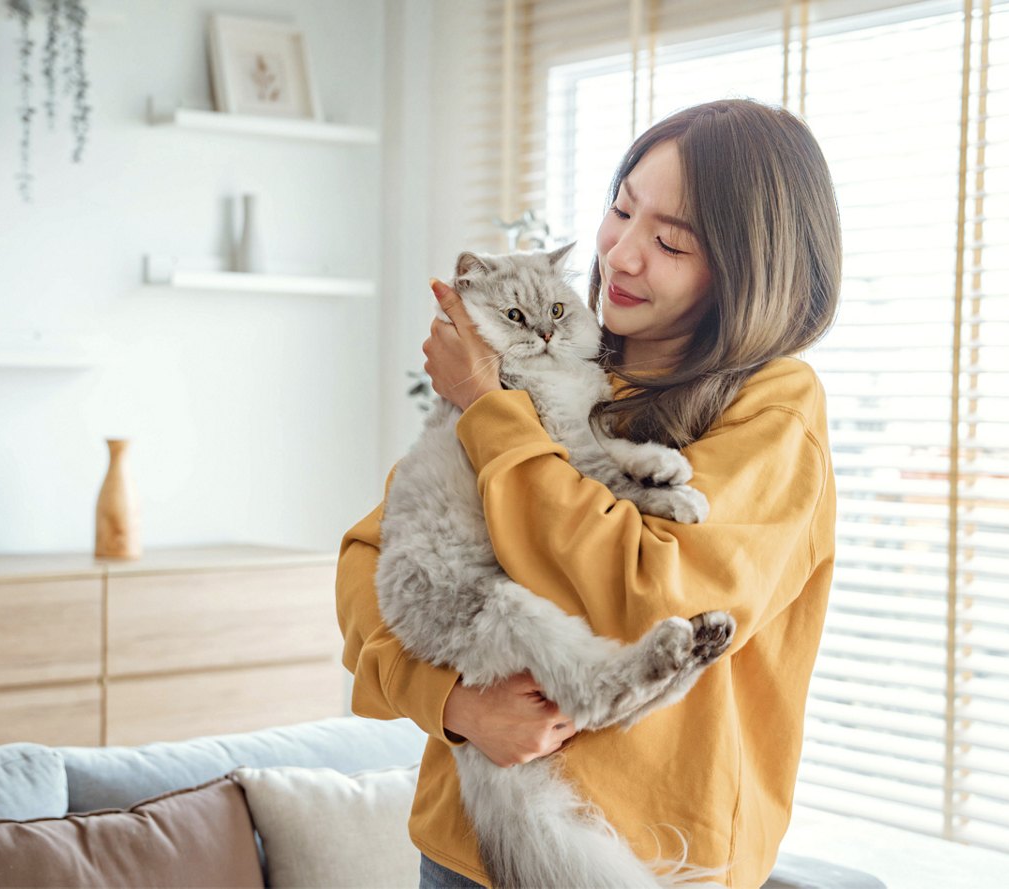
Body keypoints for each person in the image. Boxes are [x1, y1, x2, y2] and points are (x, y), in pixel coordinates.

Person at [336, 98, 841, 889]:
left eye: (671, 239)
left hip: (655, 858)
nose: (623, 254)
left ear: (747, 267)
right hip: (468, 853)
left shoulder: (776, 406)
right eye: (622, 209)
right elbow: (370, 564)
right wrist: (454, 704)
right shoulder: (553, 361)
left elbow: (648, 594)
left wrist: (490, 406)